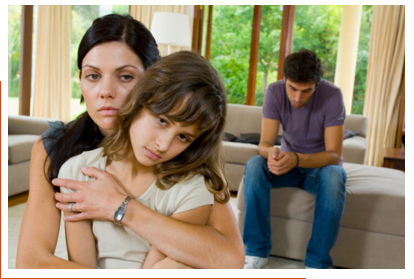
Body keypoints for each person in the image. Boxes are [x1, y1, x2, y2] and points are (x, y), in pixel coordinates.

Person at [16, 14, 244, 269]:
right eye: (93, 76)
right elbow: (32, 261)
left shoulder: (187, 160)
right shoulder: (59, 150)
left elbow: (228, 257)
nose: (105, 91)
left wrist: (121, 206)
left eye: (125, 77)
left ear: (153, 82)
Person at [60, 50, 228, 269]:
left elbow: (156, 269)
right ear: (139, 101)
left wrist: (121, 207)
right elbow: (82, 269)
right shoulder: (77, 172)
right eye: (162, 120)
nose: (164, 145)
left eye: (183, 137)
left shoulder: (192, 186)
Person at [242, 49, 347, 269]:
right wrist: (270, 154)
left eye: (306, 91)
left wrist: (297, 159)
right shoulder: (274, 92)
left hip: (319, 169)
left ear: (316, 85)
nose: (298, 98)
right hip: (288, 165)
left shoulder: (332, 95)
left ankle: (317, 263)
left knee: (335, 175)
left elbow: (334, 155)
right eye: (292, 88)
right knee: (254, 165)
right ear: (284, 79)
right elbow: (264, 144)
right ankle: (256, 252)